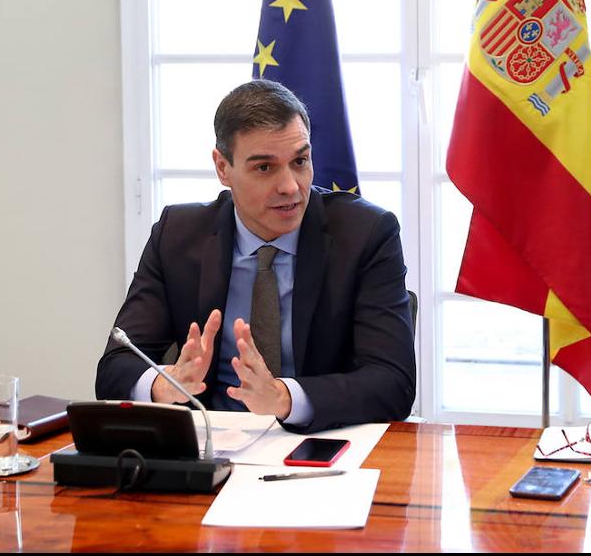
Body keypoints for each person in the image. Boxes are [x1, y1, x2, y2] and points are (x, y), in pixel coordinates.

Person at [96, 80, 415, 433]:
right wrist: (165, 382)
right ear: (222, 168)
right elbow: (115, 367)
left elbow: (393, 381)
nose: (291, 186)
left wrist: (283, 397)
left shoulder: (365, 234)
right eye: (265, 168)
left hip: (323, 440)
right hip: (213, 444)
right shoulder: (177, 235)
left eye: (300, 161)